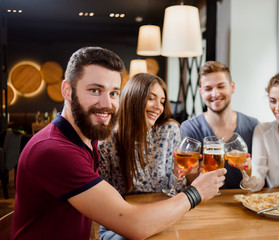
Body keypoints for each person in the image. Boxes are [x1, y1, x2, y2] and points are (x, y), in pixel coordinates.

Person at [11, 47, 226, 240]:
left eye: (114, 93)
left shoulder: (85, 139)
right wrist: (196, 192)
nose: (106, 104)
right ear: (67, 90)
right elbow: (134, 224)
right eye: (95, 90)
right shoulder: (55, 151)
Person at [98, 73, 187, 239]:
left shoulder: (169, 131)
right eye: (151, 98)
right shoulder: (107, 139)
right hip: (121, 224)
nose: (158, 107)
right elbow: (102, 200)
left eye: (162, 101)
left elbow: (174, 191)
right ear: (133, 98)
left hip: (163, 217)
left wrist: (177, 172)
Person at [180, 61, 259, 189]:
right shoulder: (189, 128)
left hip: (242, 202)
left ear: (232, 87)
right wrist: (194, 174)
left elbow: (258, 181)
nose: (215, 94)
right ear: (201, 92)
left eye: (221, 86)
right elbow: (189, 184)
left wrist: (249, 169)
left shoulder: (253, 125)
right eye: (208, 89)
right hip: (205, 204)